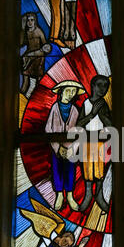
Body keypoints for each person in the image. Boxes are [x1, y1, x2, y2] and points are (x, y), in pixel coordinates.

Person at [45, 80, 85, 211]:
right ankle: (59, 195)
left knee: (70, 171)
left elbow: (80, 131)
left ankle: (69, 195)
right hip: (57, 149)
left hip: (71, 150)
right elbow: (48, 130)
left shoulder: (75, 110)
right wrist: (57, 148)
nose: (70, 94)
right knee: (57, 171)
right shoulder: (55, 108)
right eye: (68, 91)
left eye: (73, 92)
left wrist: (73, 149)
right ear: (61, 92)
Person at [77, 75, 112, 212]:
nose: (103, 89)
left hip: (100, 142)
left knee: (99, 170)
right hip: (86, 141)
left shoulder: (103, 104)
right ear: (92, 86)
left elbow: (110, 124)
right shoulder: (86, 103)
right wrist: (92, 114)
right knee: (87, 170)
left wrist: (102, 114)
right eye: (100, 85)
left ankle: (98, 195)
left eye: (105, 86)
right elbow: (79, 124)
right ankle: (88, 195)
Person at [20, 12, 51, 96]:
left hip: (38, 57)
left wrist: (44, 49)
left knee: (39, 79)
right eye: (28, 21)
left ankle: (37, 97)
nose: (30, 22)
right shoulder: (26, 32)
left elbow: (45, 45)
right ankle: (22, 96)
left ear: (35, 21)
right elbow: (21, 43)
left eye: (32, 20)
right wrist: (22, 29)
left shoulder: (39, 31)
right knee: (25, 80)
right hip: (29, 57)